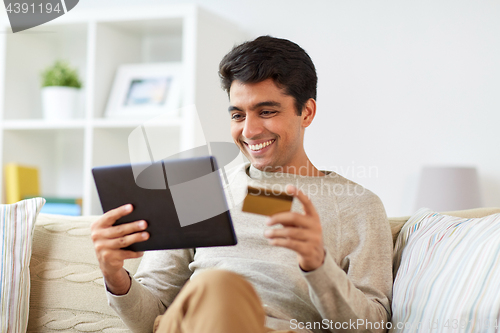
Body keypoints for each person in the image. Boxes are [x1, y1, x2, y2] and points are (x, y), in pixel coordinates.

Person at [91, 36, 393, 333]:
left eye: (267, 111)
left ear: (307, 112)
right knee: (217, 286)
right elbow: (150, 319)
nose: (249, 130)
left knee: (219, 285)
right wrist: (115, 275)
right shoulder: (199, 191)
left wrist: (318, 265)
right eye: (238, 115)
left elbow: (371, 326)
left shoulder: (357, 205)